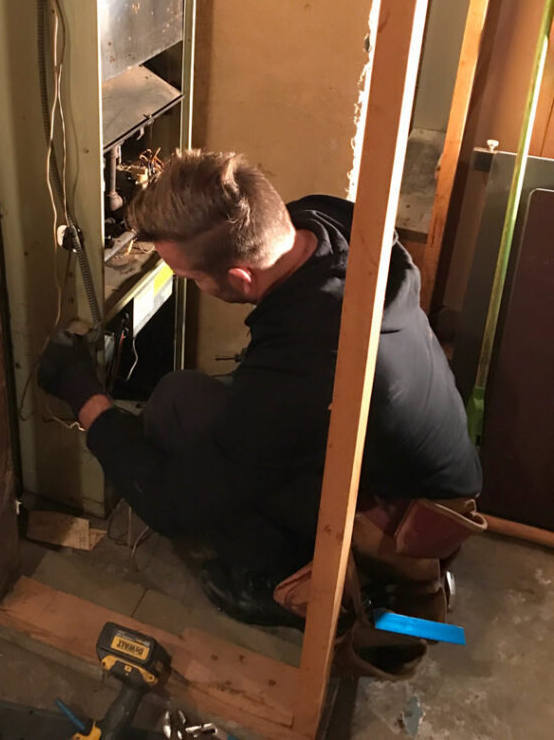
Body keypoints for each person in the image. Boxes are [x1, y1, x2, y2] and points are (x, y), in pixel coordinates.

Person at [37, 149, 482, 628]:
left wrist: (82, 390)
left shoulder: (305, 371)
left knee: (200, 459)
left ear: (239, 278)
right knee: (179, 399)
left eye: (186, 276)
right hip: (433, 471)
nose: (184, 283)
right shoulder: (325, 222)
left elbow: (169, 503)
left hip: (405, 523)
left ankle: (307, 586)